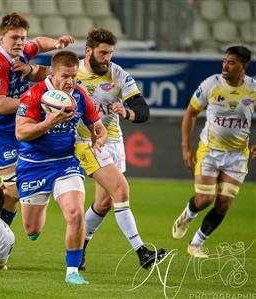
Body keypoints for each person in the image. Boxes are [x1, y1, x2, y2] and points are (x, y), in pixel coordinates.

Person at [73, 28, 165, 270]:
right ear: (88, 51)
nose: (107, 58)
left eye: (110, 53)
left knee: (103, 203)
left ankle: (78, 249)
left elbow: (142, 108)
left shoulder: (118, 74)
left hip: (114, 142)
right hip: (87, 143)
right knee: (121, 190)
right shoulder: (74, 72)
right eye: (103, 53)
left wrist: (128, 112)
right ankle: (142, 252)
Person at [15, 51, 106, 285]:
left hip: (66, 162)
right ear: (52, 74)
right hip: (33, 165)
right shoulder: (34, 95)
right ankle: (38, 209)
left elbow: (97, 124)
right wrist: (47, 123)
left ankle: (72, 271)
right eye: (65, 76)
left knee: (75, 213)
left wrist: (99, 135)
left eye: (74, 76)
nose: (70, 82)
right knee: (31, 229)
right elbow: (21, 132)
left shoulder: (79, 95)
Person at [0, 12, 74, 226]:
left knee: (14, 192)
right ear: (2, 38)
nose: (20, 42)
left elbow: (38, 43)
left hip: (14, 127)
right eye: (14, 38)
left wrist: (57, 43)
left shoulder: (20, 53)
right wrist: (34, 102)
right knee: (16, 188)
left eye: (22, 37)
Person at [172, 46, 256, 258]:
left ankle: (195, 244)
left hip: (237, 156)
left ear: (243, 66)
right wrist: (186, 148)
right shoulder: (211, 84)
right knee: (205, 200)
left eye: (231, 62)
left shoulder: (253, 89)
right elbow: (190, 114)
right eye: (225, 61)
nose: (225, 66)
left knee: (224, 203)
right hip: (210, 151)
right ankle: (188, 215)